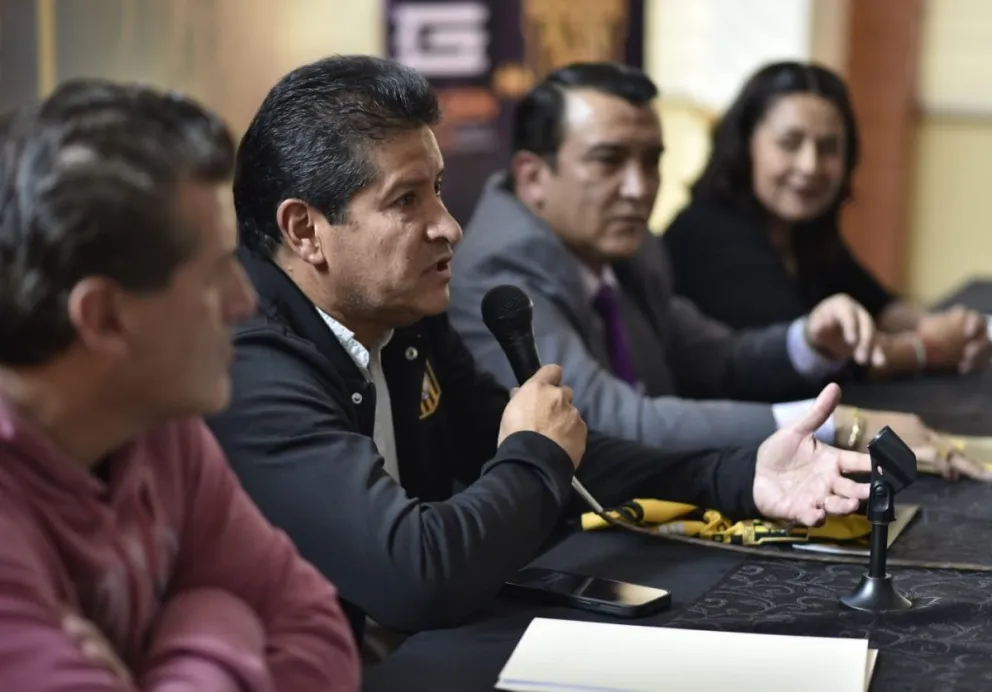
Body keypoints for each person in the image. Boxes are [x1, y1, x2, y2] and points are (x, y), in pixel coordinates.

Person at [206, 55, 871, 653]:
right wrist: (534, 453)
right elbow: (418, 576)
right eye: (407, 200)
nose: (449, 226)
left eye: (437, 188)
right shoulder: (249, 362)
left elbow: (562, 444)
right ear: (305, 230)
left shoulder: (398, 313)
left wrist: (736, 476)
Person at [0, 80, 360, 689]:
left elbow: (321, 636)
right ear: (107, 318)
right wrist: (217, 623)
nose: (245, 301)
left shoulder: (155, 422)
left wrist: (164, 654)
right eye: (218, 271)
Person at [449, 61, 965, 472]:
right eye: (609, 160)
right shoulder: (504, 268)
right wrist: (836, 424)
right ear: (534, 177)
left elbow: (716, 357)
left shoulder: (629, 248)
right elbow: (612, 422)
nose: (640, 188)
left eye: (652, 160)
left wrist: (808, 341)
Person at [663, 60, 992, 378]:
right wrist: (929, 348)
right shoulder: (707, 235)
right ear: (745, 146)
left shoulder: (803, 228)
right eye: (790, 143)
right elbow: (815, 361)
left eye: (829, 148)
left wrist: (959, 329)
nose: (810, 166)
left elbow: (882, 306)